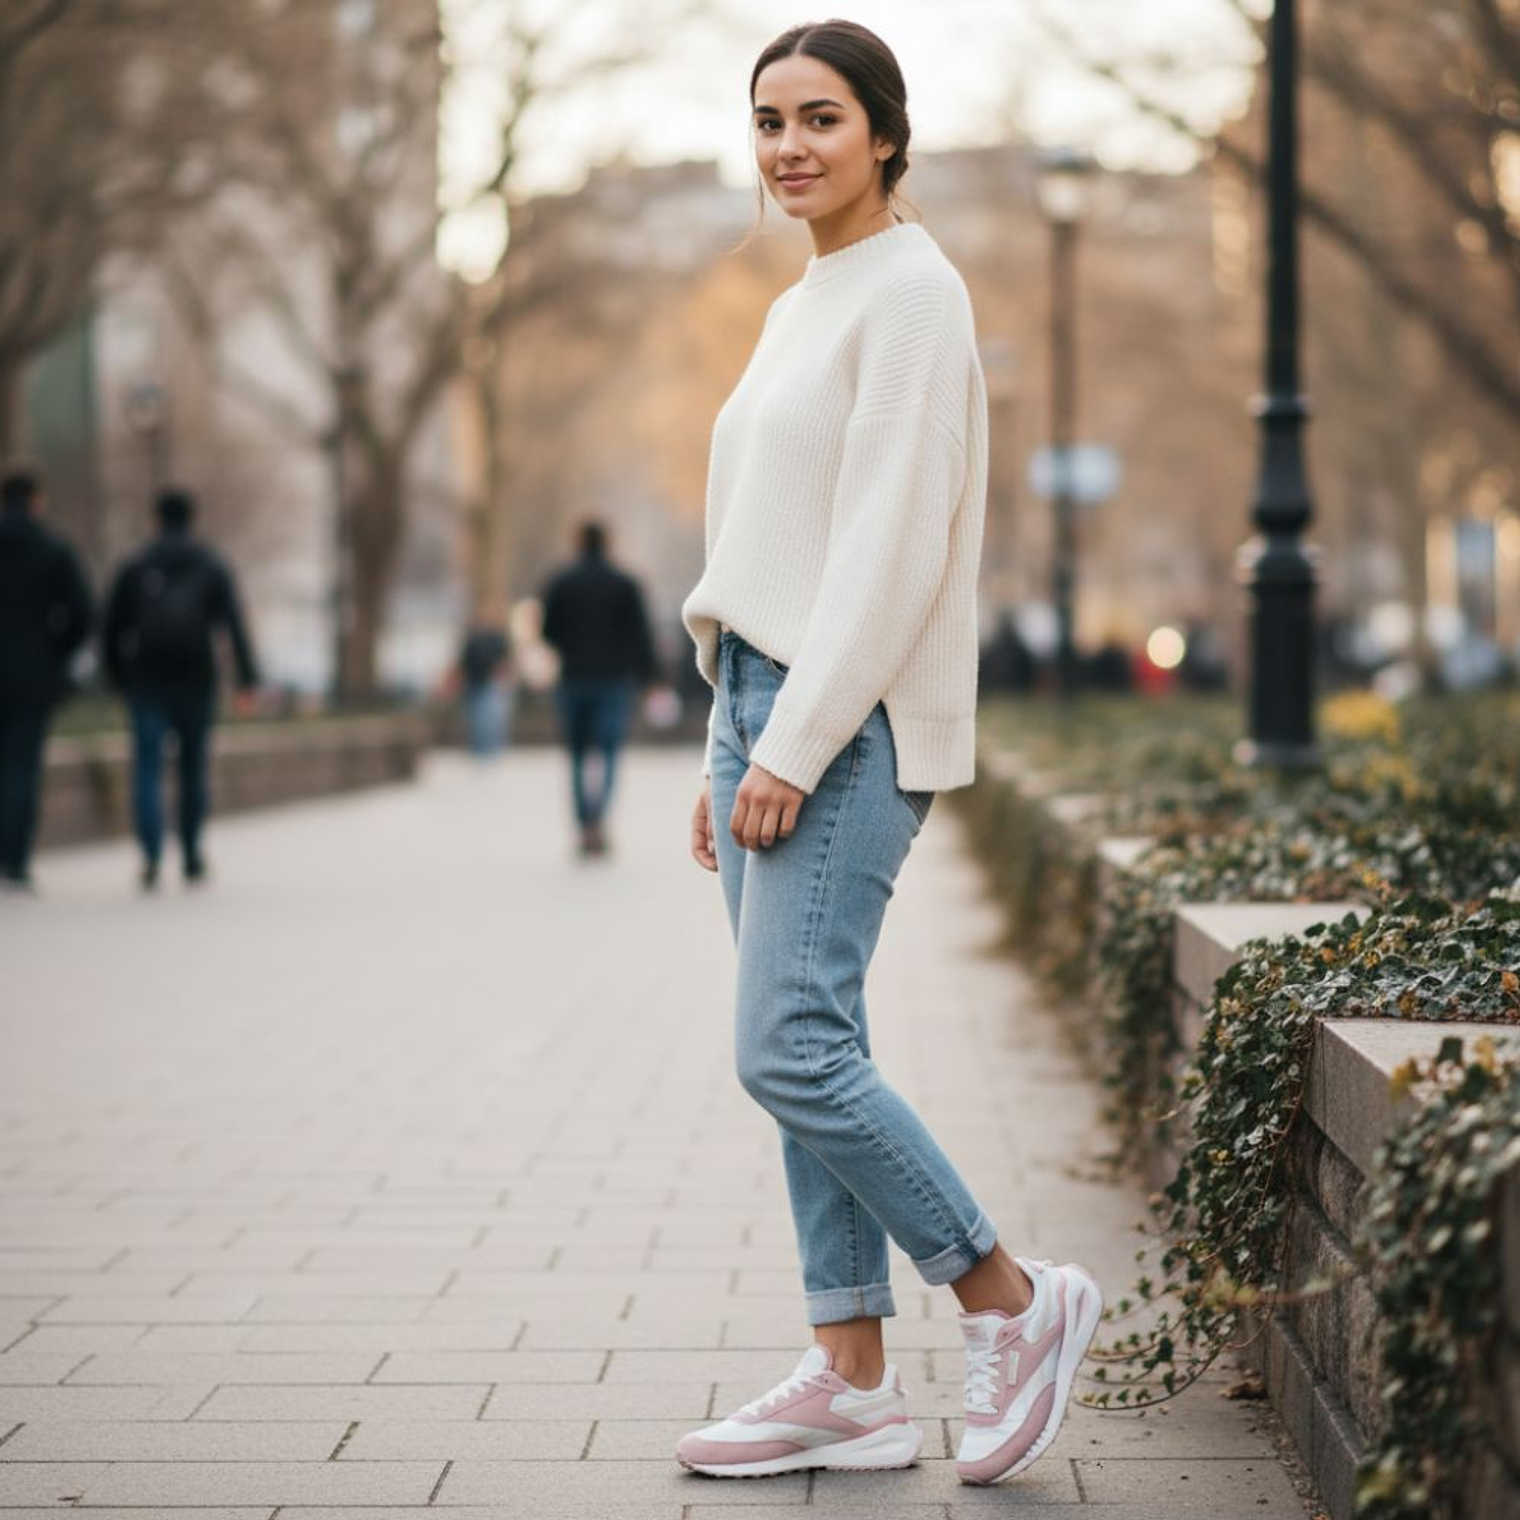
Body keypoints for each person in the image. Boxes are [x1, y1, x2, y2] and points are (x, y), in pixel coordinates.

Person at [675, 20, 1101, 1487]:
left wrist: (791, 740)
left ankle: (1010, 1297)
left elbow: (890, 549)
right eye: (768, 120)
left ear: (885, 135)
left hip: (839, 720)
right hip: (761, 705)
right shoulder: (805, 298)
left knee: (785, 1047)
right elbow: (769, 540)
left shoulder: (915, 291)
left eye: (821, 118)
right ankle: (851, 1378)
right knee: (814, 1049)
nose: (789, 146)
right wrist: (724, 739)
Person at [102, 487, 259, 888]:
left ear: (155, 519)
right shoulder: (210, 564)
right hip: (195, 677)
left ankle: (151, 854)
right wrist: (247, 680)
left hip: (147, 679)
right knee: (193, 767)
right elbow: (232, 625)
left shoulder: (136, 564)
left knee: (147, 767)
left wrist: (117, 679)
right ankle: (190, 852)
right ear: (192, 518)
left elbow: (112, 628)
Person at [538, 519, 659, 856]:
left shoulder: (561, 581)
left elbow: (547, 631)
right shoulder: (625, 583)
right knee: (608, 753)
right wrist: (649, 679)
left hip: (574, 677)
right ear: (607, 542)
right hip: (613, 679)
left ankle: (584, 823)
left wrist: (570, 646)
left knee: (577, 754)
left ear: (577, 541)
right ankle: (599, 820)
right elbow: (640, 635)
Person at [0, 464, 94, 892]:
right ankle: (14, 860)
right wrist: (54, 652)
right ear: (37, 501)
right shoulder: (54, 549)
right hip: (32, 672)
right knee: (22, 765)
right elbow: (83, 615)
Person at [452, 610, 514, 758]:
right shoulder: (471, 640)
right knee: (476, 718)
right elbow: (464, 662)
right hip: (473, 682)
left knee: (491, 718)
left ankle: (492, 748)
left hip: (490, 683)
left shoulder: (496, 639)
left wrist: (504, 679)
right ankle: (479, 749)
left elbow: (504, 661)